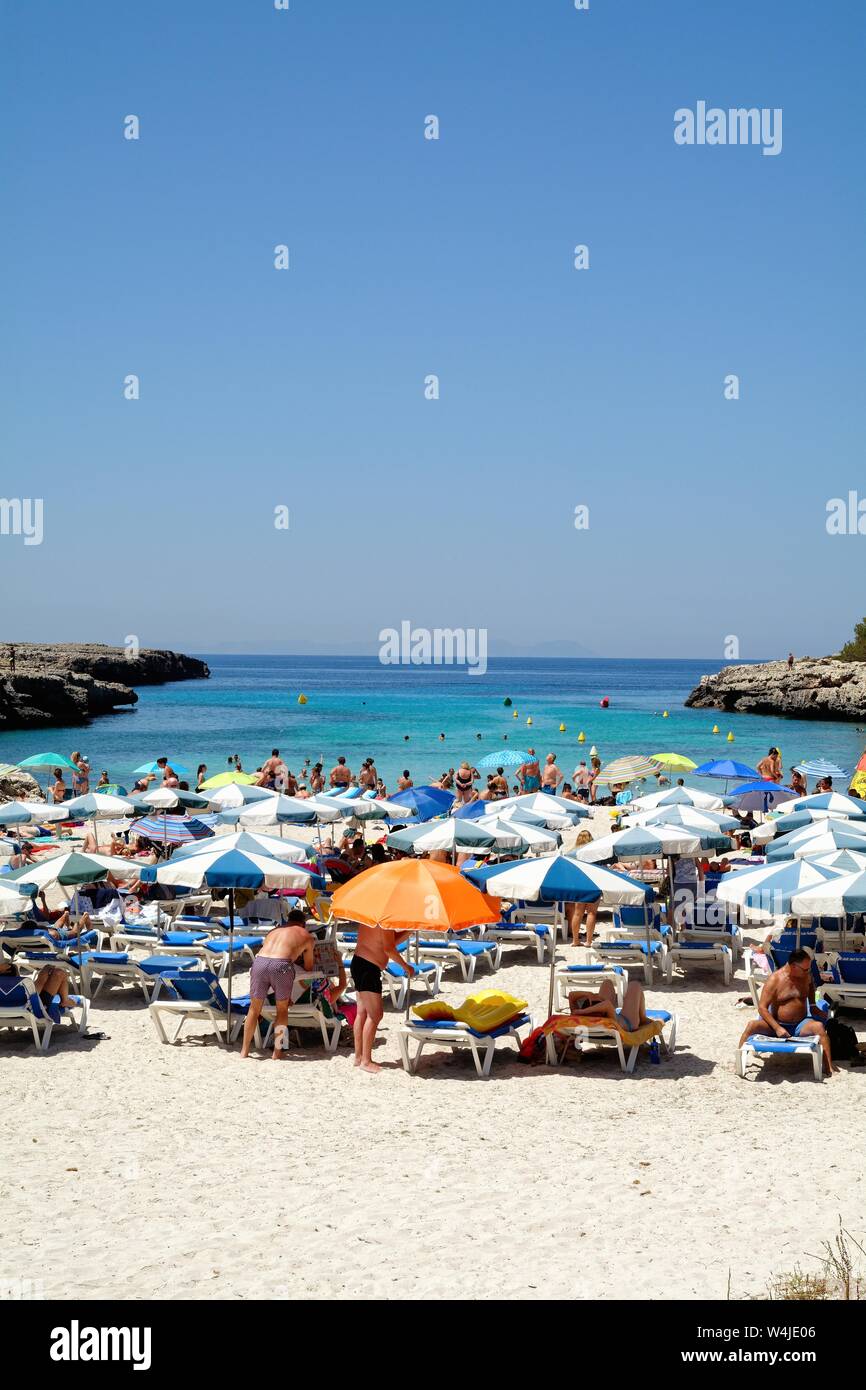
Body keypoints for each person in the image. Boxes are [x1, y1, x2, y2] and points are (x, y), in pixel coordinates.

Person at [738, 947, 835, 1077]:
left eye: (809, 969)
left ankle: (828, 1067)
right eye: (805, 969)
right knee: (751, 1025)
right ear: (793, 966)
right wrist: (777, 1028)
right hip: (776, 1024)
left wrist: (814, 1007)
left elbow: (811, 989)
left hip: (800, 1024)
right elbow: (762, 1008)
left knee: (819, 1027)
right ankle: (738, 1062)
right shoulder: (775, 980)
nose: (808, 972)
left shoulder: (806, 976)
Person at [240, 910, 316, 1060]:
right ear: (303, 923)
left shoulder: (274, 931)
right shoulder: (306, 936)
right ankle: (277, 1052)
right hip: (281, 966)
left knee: (254, 1009)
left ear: (288, 920)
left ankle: (244, 1051)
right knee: (282, 1010)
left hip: (260, 962)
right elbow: (309, 967)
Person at [350, 922, 414, 1073]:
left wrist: (408, 931)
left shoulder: (371, 918)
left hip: (359, 963)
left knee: (362, 1013)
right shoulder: (385, 921)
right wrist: (406, 966)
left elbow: (388, 941)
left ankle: (359, 1057)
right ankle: (366, 1061)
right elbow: (389, 949)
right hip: (368, 968)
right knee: (375, 1015)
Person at [566, 976, 651, 1034]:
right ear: (602, 1012)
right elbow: (607, 1004)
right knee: (635, 985)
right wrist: (583, 1011)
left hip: (614, 1018)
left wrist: (588, 995)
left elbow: (571, 995)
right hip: (628, 1022)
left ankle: (642, 1018)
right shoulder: (607, 1017)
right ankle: (643, 1018)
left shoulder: (578, 1017)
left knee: (607, 983)